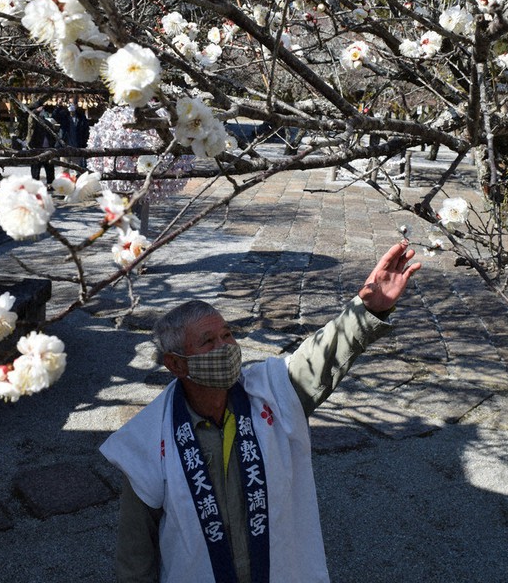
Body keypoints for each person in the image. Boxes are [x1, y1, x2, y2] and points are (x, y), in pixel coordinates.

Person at [100, 241, 421, 583]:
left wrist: (366, 310)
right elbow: (135, 554)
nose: (225, 347)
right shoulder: (148, 439)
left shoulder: (268, 393)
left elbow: (320, 356)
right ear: (176, 364)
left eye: (228, 334)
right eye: (208, 342)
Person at [25, 100, 59, 186]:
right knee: (35, 169)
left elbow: (53, 133)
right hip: (36, 147)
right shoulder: (33, 120)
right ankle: (35, 187)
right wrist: (36, 111)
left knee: (50, 169)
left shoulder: (47, 121)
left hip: (47, 148)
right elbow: (31, 119)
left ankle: (50, 185)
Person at [55, 96, 89, 169]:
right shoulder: (64, 116)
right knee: (64, 171)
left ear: (76, 105)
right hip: (65, 148)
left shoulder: (81, 117)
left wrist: (84, 145)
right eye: (69, 103)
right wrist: (58, 106)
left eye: (72, 103)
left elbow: (86, 132)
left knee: (77, 170)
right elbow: (55, 116)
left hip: (77, 148)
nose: (71, 105)